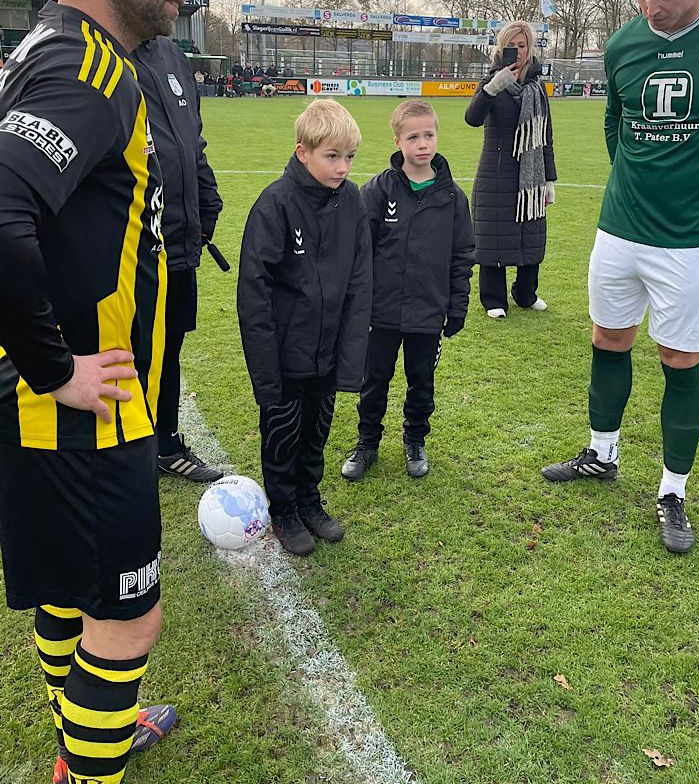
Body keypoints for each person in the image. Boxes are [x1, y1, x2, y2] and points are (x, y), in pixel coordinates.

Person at [0, 0, 199, 784]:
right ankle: (92, 754)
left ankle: (85, 736)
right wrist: (55, 369)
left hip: (52, 411)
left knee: (66, 593)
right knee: (127, 620)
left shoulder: (50, 43)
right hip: (84, 414)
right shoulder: (90, 69)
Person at [541, 0, 699, 554]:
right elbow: (615, 120)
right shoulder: (624, 42)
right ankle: (601, 454)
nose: (652, 9)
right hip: (619, 229)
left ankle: (673, 491)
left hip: (689, 240)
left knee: (679, 359)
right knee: (608, 338)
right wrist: (630, 180)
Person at [237, 99, 372, 556]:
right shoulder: (275, 205)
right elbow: (254, 294)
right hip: (286, 355)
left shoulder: (352, 202)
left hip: (327, 352)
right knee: (283, 436)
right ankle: (283, 510)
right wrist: (266, 372)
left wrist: (349, 357)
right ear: (303, 152)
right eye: (332, 156)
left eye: (349, 157)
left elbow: (360, 282)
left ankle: (310, 501)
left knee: (317, 433)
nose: (343, 167)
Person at [342, 100, 474, 481]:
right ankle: (367, 443)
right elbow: (359, 253)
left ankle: (415, 440)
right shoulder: (377, 191)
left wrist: (457, 306)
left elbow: (462, 256)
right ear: (398, 142)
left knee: (422, 383)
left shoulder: (453, 198)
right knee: (374, 381)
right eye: (413, 137)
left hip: (427, 313)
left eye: (428, 135)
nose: (422, 143)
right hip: (381, 312)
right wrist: (357, 306)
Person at [133, 36, 224, 483]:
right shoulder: (101, 54)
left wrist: (207, 205)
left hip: (179, 243)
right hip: (131, 249)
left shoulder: (172, 56)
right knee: (127, 351)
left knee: (169, 345)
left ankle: (165, 443)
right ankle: (126, 449)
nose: (177, 4)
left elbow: (192, 145)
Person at [465, 21, 557, 318]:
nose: (517, 51)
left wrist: (549, 180)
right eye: (511, 45)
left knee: (531, 234)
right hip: (496, 173)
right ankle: (493, 299)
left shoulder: (537, 88)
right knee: (493, 234)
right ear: (500, 48)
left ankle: (526, 294)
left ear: (529, 48)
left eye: (521, 45)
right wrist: (494, 87)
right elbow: (472, 118)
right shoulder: (490, 81)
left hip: (531, 176)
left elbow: (545, 136)